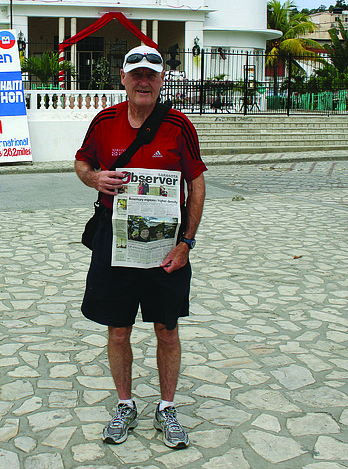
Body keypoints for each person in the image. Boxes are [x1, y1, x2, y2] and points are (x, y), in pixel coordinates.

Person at [74, 45, 206, 449]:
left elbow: (196, 184)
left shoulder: (179, 126)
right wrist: (94, 179)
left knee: (167, 329)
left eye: (151, 74)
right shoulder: (105, 121)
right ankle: (125, 404)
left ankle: (167, 407)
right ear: (124, 78)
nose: (143, 81)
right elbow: (82, 163)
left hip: (165, 245)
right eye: (137, 74)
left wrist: (186, 243)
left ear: (162, 79)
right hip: (115, 241)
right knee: (118, 330)